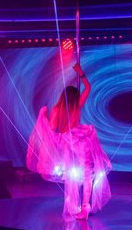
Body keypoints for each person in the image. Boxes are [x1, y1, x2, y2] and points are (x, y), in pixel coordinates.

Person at [26, 62, 111, 220]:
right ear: (75, 98)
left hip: (68, 144)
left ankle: (74, 205)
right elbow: (88, 88)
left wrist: (43, 118)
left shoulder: (56, 110)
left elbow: (53, 130)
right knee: (87, 175)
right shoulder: (77, 105)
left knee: (72, 176)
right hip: (82, 141)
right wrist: (81, 73)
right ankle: (85, 207)